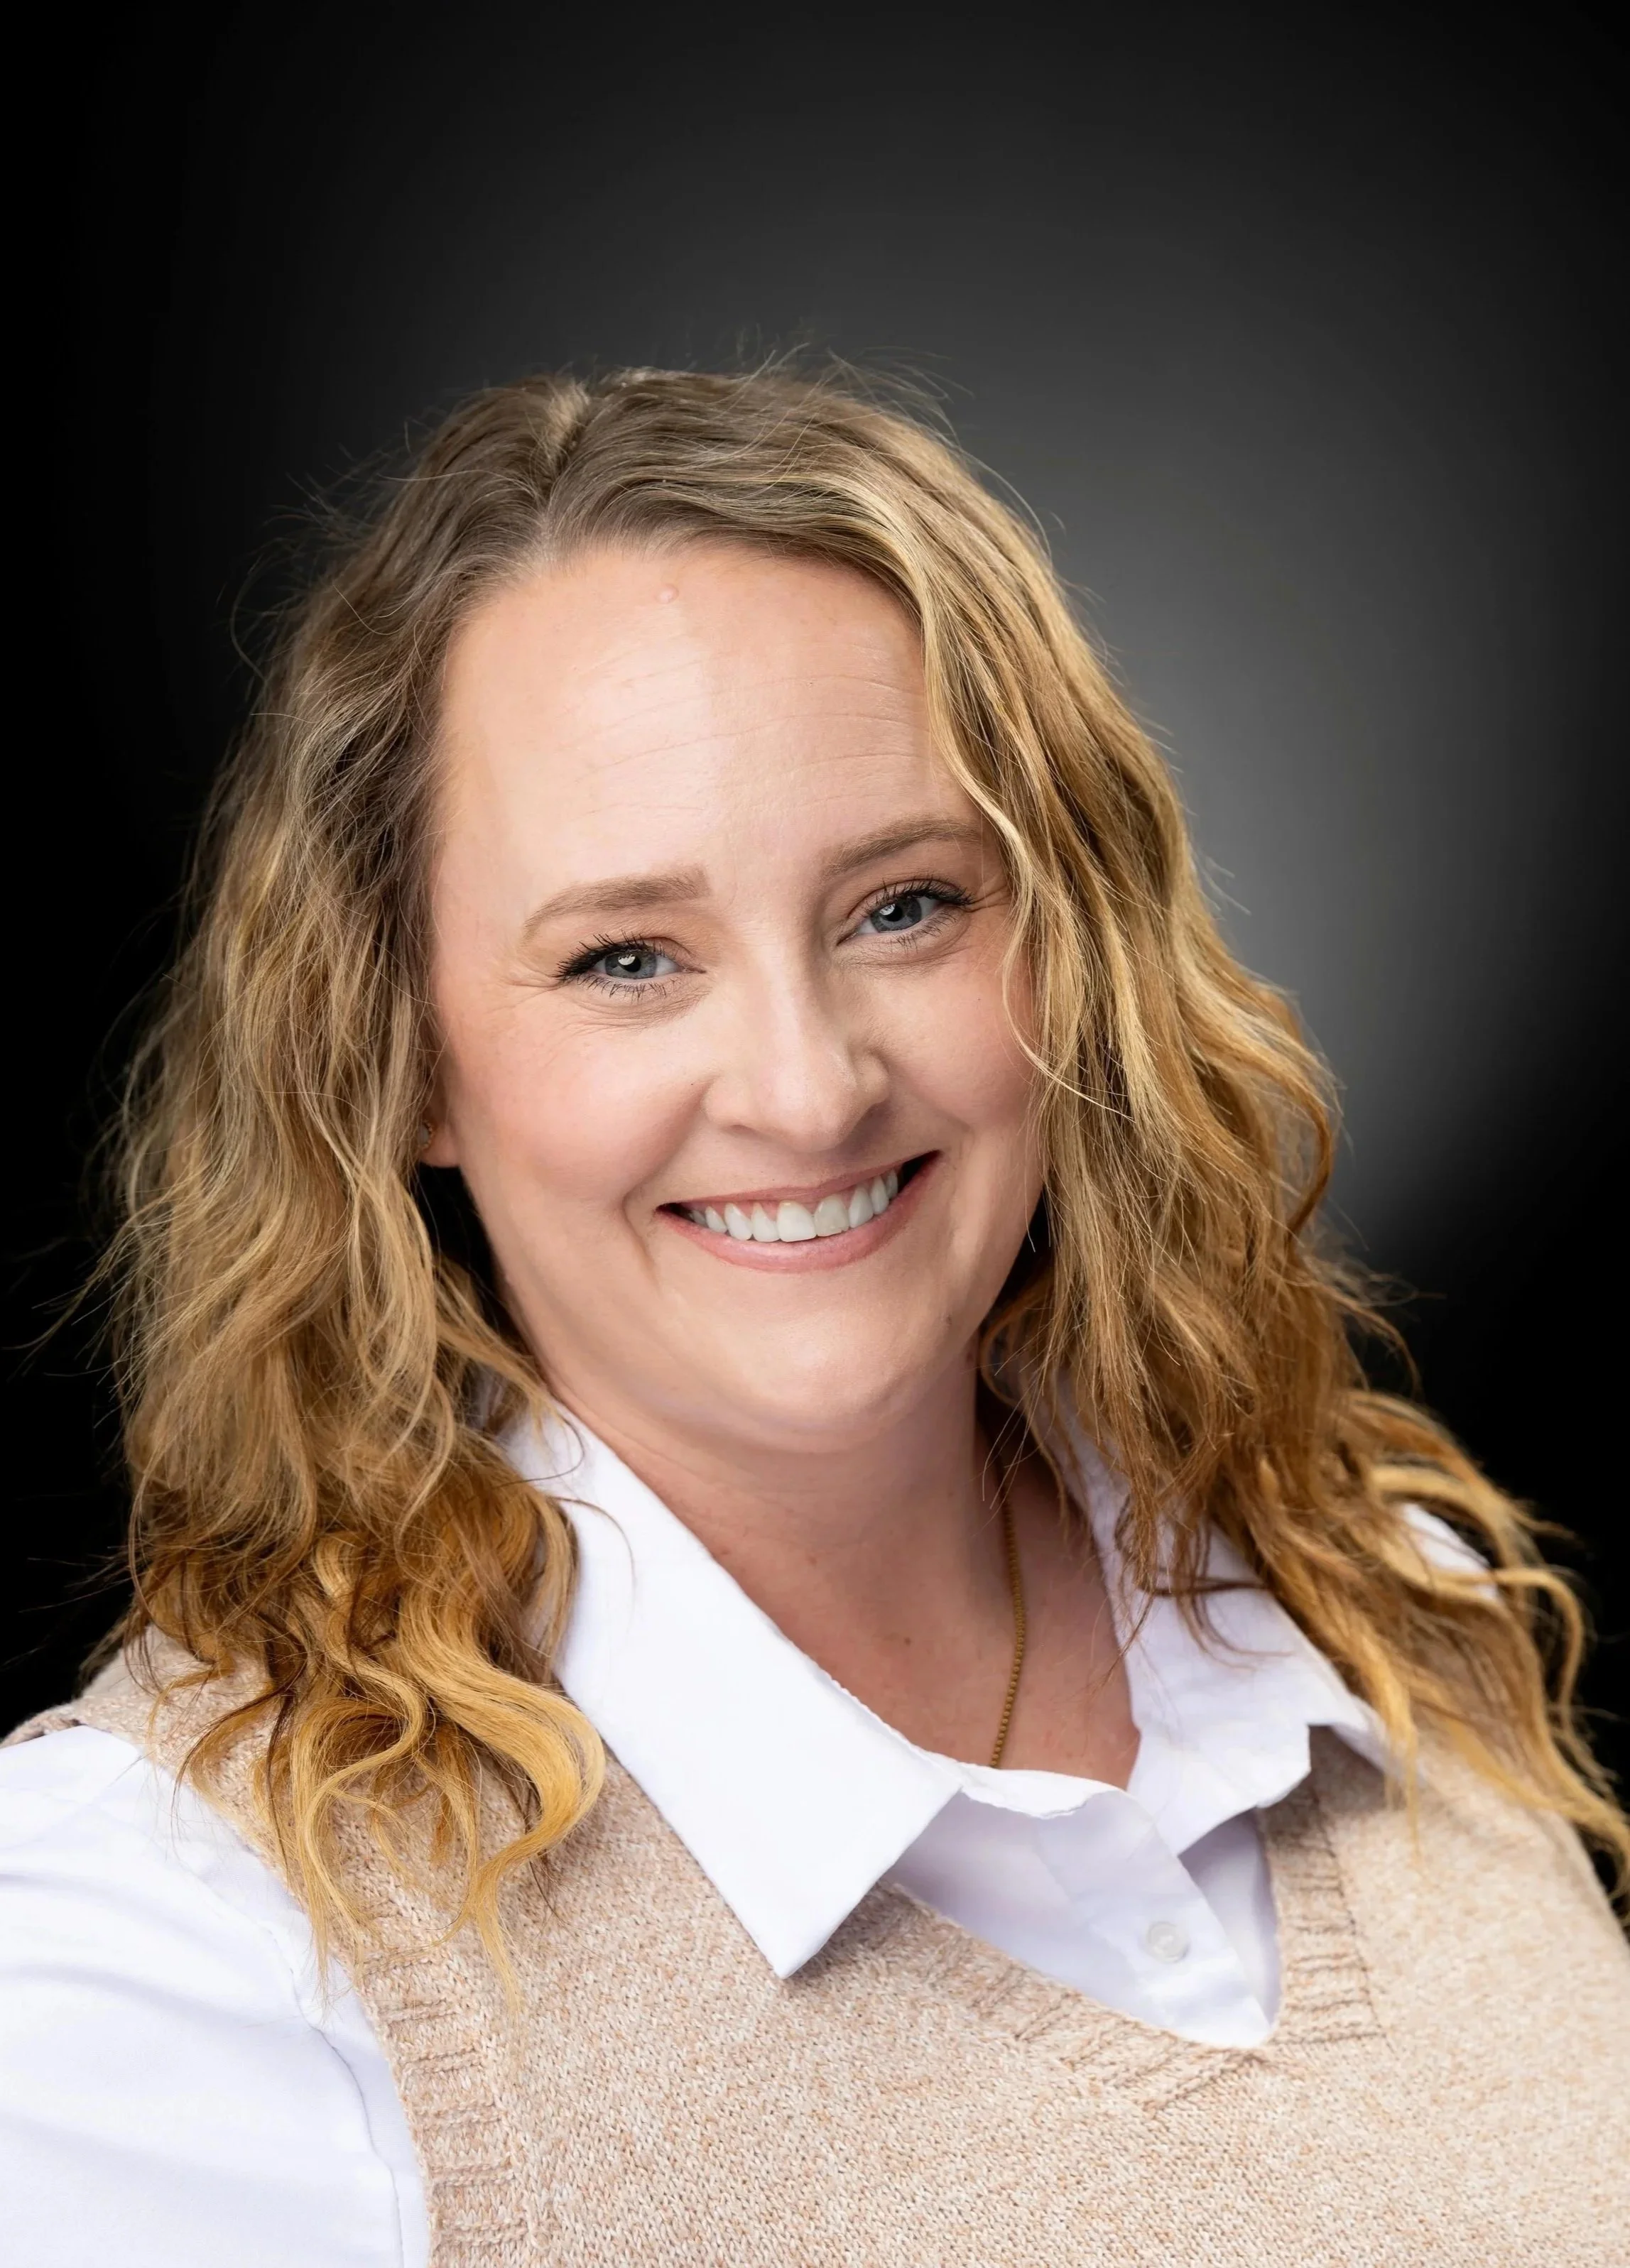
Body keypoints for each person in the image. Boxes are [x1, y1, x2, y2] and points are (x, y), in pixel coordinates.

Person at [2, 364, 1626, 2267]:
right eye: (626, 957)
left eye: (903, 909)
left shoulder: (1382, 1610)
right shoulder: (175, 1946)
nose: (804, 1090)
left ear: (1070, 947)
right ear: (403, 1060)